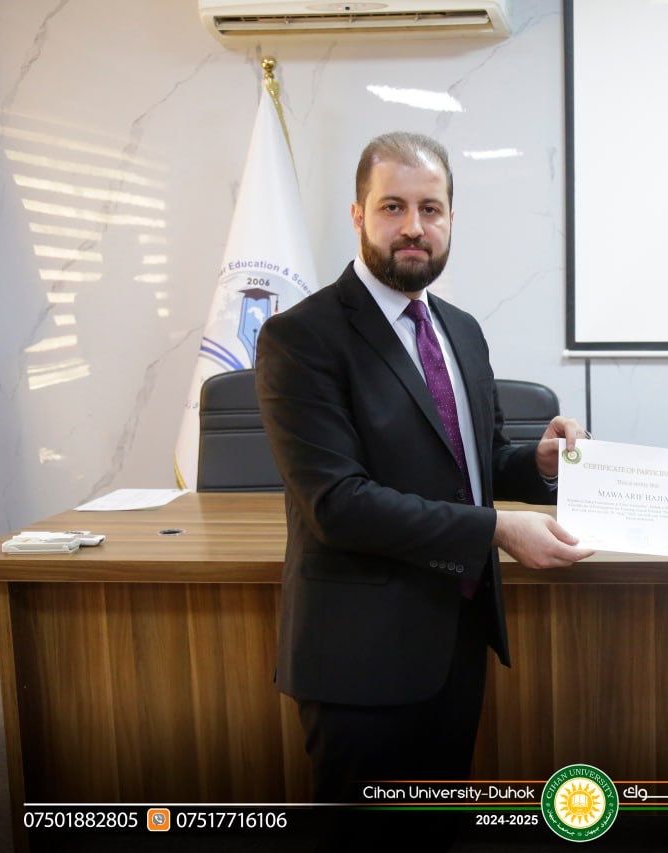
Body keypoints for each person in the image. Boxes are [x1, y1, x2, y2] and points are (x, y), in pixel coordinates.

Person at [254, 132, 593, 848]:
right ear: (357, 215)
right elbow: (338, 504)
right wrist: (497, 530)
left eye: (430, 209)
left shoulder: (461, 331)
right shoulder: (301, 338)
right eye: (393, 207)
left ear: (450, 219)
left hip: (456, 640)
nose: (413, 226)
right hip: (359, 657)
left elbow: (475, 460)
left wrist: (538, 464)